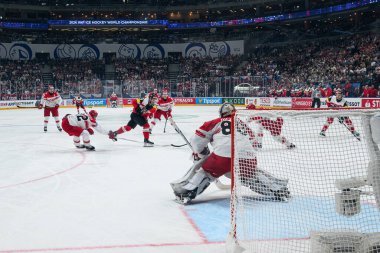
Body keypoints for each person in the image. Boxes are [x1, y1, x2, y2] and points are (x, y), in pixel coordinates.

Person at [170, 102, 290, 204]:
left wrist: (201, 152)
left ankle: (186, 193)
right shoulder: (242, 124)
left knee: (205, 172)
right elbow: (252, 140)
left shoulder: (215, 122)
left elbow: (196, 140)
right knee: (249, 175)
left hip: (222, 158)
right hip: (248, 158)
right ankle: (278, 190)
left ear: (221, 113)